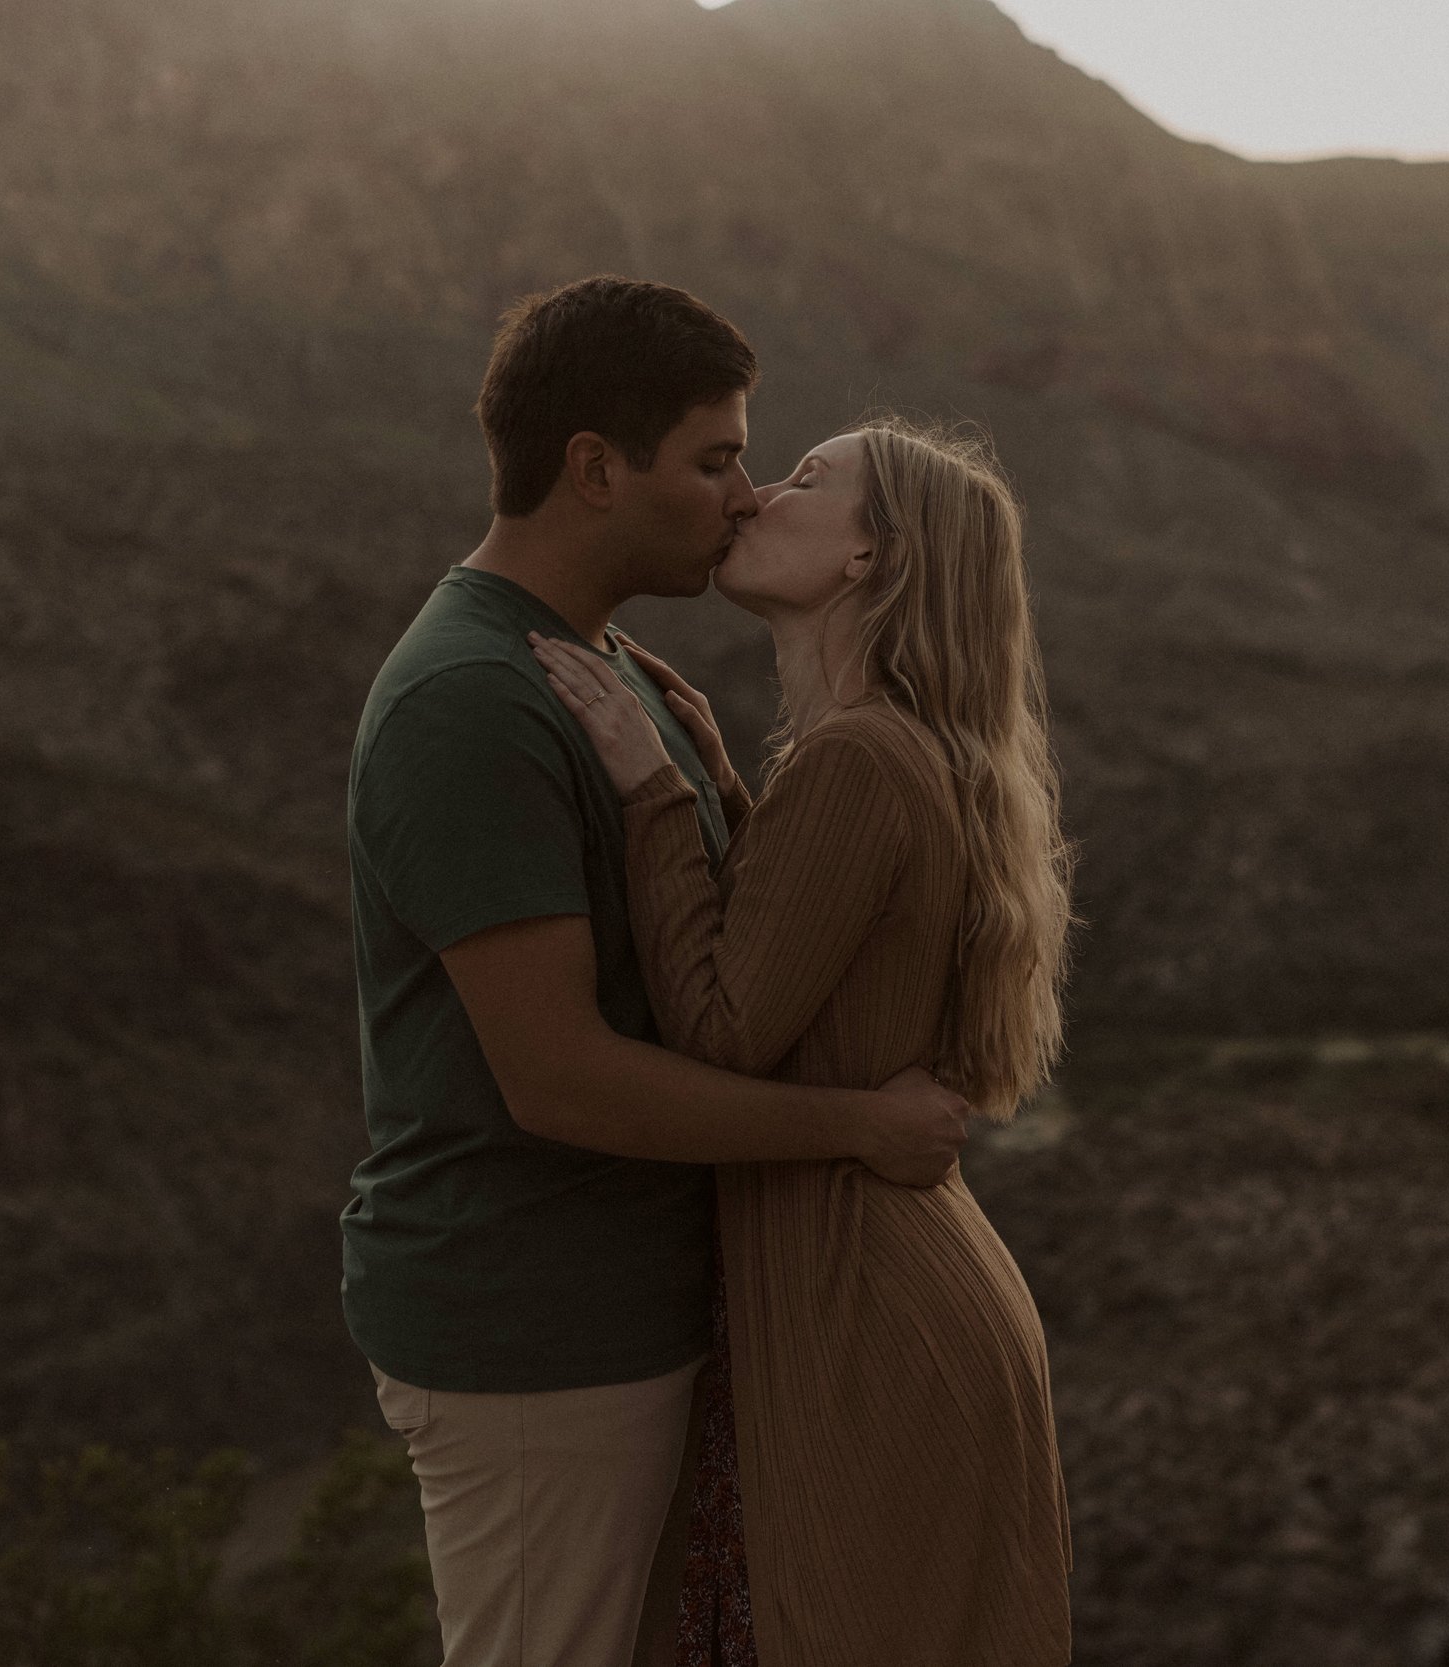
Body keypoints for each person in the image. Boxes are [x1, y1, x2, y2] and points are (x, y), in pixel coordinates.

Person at [341, 276, 976, 1667]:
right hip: (537, 1324)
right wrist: (863, 1126)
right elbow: (561, 1077)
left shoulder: (605, 671)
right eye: (713, 459)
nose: (742, 496)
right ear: (592, 469)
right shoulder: (476, 701)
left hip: (626, 1304)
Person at [531, 415, 1075, 1666]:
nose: (757, 493)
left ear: (865, 557)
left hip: (863, 1308)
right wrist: (725, 786)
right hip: (897, 1285)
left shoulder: (858, 762)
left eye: (805, 481)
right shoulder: (879, 751)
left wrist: (651, 790)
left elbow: (725, 1028)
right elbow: (812, 971)